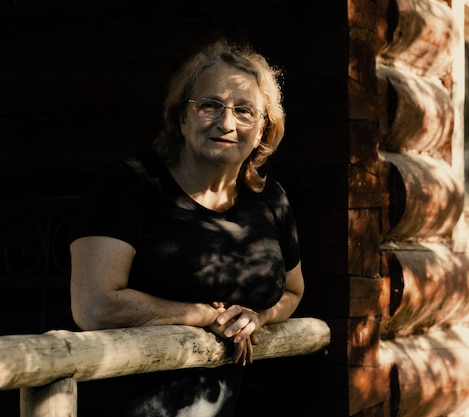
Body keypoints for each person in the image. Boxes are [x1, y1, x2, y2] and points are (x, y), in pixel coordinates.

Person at [69, 39, 304, 417]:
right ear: (182, 118)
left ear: (263, 130)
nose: (226, 123)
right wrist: (207, 316)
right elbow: (94, 306)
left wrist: (258, 315)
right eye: (209, 106)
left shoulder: (270, 199)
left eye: (244, 111)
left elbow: (293, 291)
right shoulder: (130, 183)